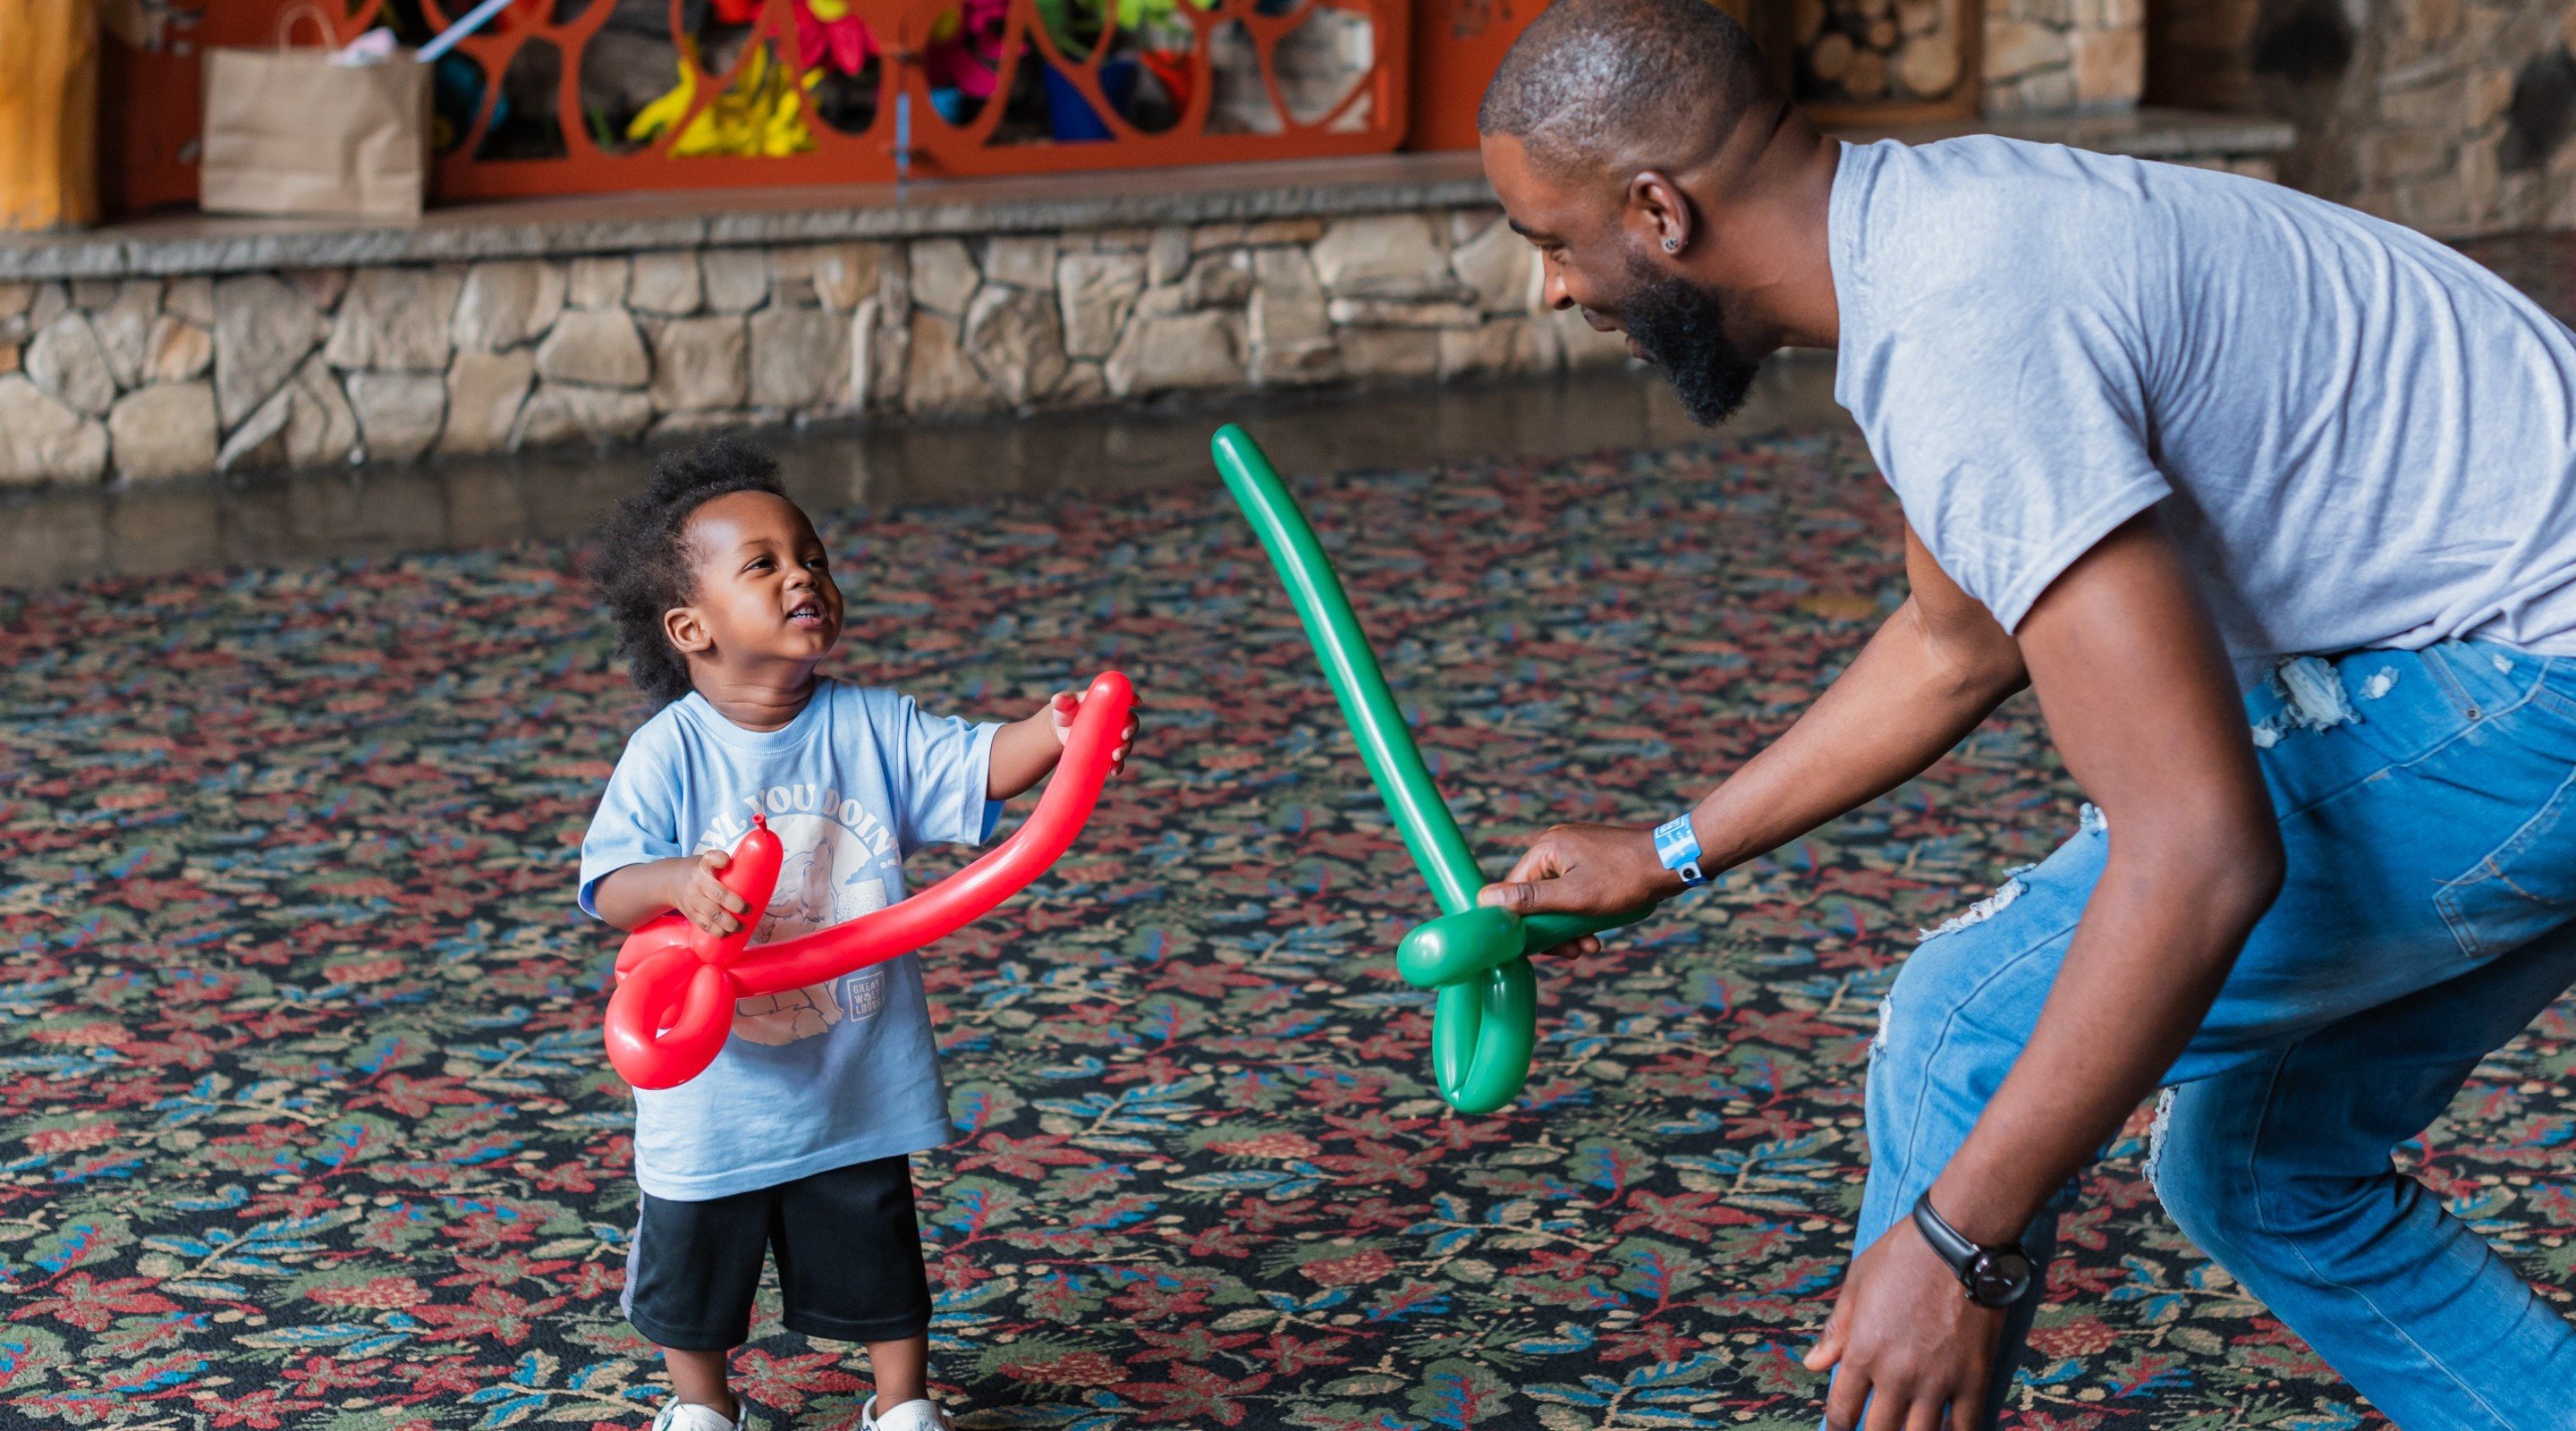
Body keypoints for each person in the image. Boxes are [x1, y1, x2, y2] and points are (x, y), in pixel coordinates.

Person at [1468, 0, 2576, 1426]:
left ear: (1659, 213)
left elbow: (2199, 853)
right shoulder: (1930, 231)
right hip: (2527, 663)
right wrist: (1670, 850)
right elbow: (1957, 642)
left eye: (1552, 241)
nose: (1555, 289)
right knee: (2261, 1166)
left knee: (1963, 1026)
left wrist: (1953, 1244)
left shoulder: (1962, 339)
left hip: (2544, 682)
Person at [577, 438, 1138, 1431]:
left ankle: (901, 1400)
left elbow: (982, 766)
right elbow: (611, 883)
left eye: (815, 556)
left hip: (851, 1056)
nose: (805, 575)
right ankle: (702, 1406)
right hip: (719, 1086)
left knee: (878, 1241)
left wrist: (1060, 731)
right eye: (764, 564)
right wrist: (677, 880)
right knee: (695, 1256)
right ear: (690, 627)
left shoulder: (874, 726)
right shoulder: (666, 753)